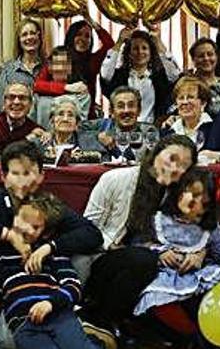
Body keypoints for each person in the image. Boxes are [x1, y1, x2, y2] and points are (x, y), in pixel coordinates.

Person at [77, 135, 197, 339]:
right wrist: (117, 248)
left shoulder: (178, 193)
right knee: (144, 261)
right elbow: (88, 230)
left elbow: (202, 227)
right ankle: (100, 320)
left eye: (184, 165)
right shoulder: (115, 179)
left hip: (149, 256)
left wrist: (198, 252)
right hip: (102, 255)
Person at [132, 168, 220, 345]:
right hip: (169, 277)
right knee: (157, 300)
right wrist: (160, 253)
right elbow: (137, 245)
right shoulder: (158, 220)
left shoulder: (209, 224)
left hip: (203, 273)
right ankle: (193, 336)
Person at [0, 139, 103, 274]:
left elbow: (92, 234)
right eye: (15, 174)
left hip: (47, 282)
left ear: (41, 176)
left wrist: (50, 247)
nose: (22, 180)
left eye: (28, 173)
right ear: (4, 177)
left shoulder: (47, 205)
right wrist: (8, 235)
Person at [0, 192, 101, 349]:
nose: (26, 227)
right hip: (24, 324)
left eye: (35, 226)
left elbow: (73, 286)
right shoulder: (0, 258)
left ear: (46, 233)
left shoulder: (53, 256)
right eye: (23, 219)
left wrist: (51, 303)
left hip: (59, 316)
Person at [100, 27, 176, 124]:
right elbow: (105, 74)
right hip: (123, 129)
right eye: (135, 48)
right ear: (129, 53)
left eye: (144, 48)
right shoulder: (120, 75)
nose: (140, 52)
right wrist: (120, 42)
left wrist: (158, 41)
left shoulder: (160, 77)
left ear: (151, 53)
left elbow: (174, 74)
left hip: (153, 130)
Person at [80, 86, 159, 162]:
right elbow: (79, 129)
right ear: (111, 111)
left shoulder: (149, 131)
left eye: (131, 105)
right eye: (120, 106)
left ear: (139, 110)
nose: (126, 111)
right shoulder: (102, 125)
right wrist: (97, 136)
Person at [64, 19, 114, 118]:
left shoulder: (92, 61)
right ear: (71, 36)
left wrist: (92, 23)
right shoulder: (61, 56)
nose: (83, 39)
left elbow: (109, 45)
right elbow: (41, 85)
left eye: (87, 36)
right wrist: (66, 87)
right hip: (64, 114)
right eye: (79, 34)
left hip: (87, 117)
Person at [28, 95, 100, 163]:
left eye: (71, 115)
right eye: (60, 114)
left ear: (77, 123)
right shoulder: (37, 145)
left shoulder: (90, 143)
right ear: (52, 120)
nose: (65, 119)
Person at [32, 46, 91, 128]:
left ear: (70, 68)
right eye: (57, 63)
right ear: (49, 67)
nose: (61, 67)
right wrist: (66, 87)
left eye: (65, 64)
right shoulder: (37, 95)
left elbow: (81, 125)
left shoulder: (81, 94)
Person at [0, 18, 44, 112]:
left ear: (39, 37)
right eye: (24, 34)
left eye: (33, 33)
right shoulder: (8, 70)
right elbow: (0, 105)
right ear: (19, 40)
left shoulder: (48, 67)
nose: (29, 37)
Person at [0, 82, 44, 151]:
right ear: (4, 103)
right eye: (11, 97)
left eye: (22, 98)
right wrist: (28, 139)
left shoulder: (36, 129)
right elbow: (3, 153)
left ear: (30, 104)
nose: (16, 102)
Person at [186, 38, 220, 118]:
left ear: (216, 57)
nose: (206, 58)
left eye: (210, 54)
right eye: (201, 56)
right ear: (193, 60)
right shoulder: (188, 85)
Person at [161, 76, 213, 149]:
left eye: (190, 97)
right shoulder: (168, 131)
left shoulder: (215, 129)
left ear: (203, 103)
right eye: (181, 98)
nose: (185, 102)